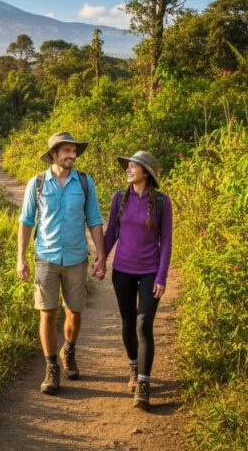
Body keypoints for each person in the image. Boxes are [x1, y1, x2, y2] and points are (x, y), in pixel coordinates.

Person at [17, 131, 107, 395]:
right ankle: (51, 367)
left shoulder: (85, 182)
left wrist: (101, 256)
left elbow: (94, 220)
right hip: (45, 257)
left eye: (74, 151)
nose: (72, 155)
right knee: (47, 312)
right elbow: (26, 221)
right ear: (54, 154)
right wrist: (20, 257)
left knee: (75, 312)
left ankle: (68, 350)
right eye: (66, 151)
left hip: (77, 258)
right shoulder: (37, 184)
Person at [104, 151, 173, 410]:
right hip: (122, 270)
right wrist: (101, 260)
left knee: (144, 324)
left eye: (133, 166)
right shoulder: (119, 198)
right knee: (128, 321)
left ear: (147, 172)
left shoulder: (162, 202)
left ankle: (143, 384)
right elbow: (111, 232)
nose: (128, 170)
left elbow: (166, 241)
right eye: (128, 166)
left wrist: (162, 276)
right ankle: (133, 366)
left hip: (149, 271)